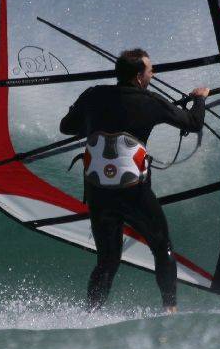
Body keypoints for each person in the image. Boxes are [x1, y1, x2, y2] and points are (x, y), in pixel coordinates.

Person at [60, 48, 208, 313]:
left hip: (99, 194)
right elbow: (194, 123)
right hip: (133, 193)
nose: (153, 73)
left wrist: (97, 125)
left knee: (107, 260)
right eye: (151, 70)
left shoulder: (93, 95)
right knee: (162, 248)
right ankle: (169, 310)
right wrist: (199, 99)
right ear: (140, 76)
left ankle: (90, 314)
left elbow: (66, 127)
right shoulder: (150, 101)